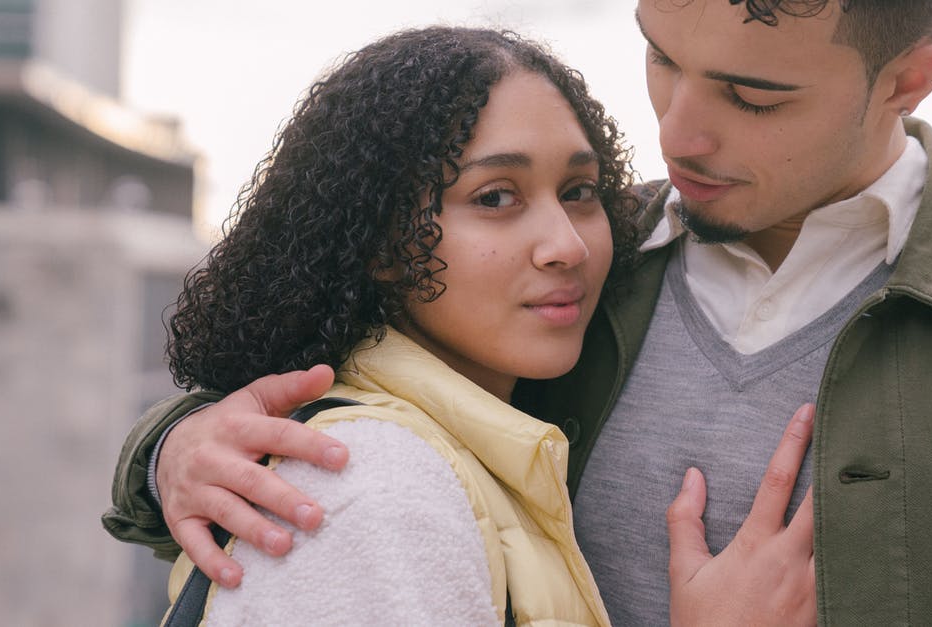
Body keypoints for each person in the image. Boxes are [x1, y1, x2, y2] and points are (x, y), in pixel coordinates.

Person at [104, 2, 932, 625]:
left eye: (752, 96)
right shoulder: (562, 279)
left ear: (908, 83)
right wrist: (175, 447)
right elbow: (351, 405)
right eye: (660, 55)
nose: (678, 134)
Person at [144, 25, 649, 624]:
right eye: (495, 198)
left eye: (579, 191)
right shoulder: (373, 484)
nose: (567, 245)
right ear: (381, 244)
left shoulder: (477, 450)